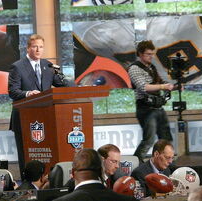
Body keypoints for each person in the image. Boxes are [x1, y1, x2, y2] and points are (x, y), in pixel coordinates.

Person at [8, 34, 69, 180]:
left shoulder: (48, 65)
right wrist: (29, 93)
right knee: (25, 153)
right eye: (35, 46)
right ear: (28, 48)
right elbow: (13, 91)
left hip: (45, 117)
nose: (38, 50)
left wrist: (74, 84)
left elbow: (62, 84)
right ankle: (28, 183)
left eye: (41, 47)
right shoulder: (17, 66)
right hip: (23, 117)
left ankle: (45, 181)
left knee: (45, 151)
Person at [128, 40, 174, 162]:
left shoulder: (151, 67)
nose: (151, 56)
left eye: (152, 54)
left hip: (158, 107)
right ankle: (135, 164)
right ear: (140, 54)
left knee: (166, 139)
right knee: (149, 140)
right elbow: (143, 87)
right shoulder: (134, 68)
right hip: (146, 108)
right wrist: (163, 87)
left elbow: (158, 82)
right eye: (148, 54)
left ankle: (164, 163)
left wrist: (171, 85)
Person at [53, 148, 138, 201]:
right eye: (114, 161)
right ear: (101, 171)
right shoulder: (129, 200)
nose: (117, 166)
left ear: (72, 173)